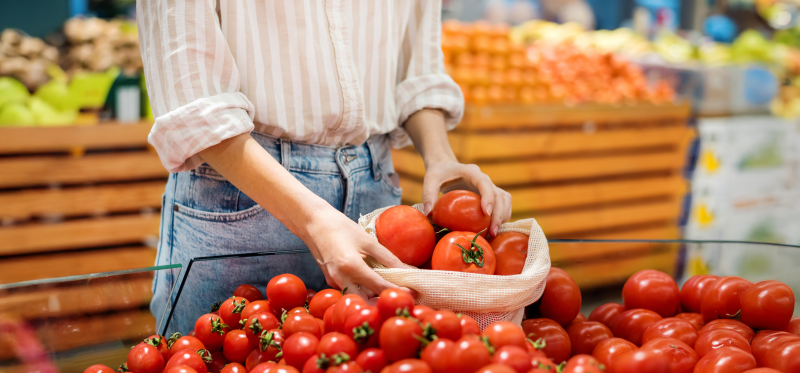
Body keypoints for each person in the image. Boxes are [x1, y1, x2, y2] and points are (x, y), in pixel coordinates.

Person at [138, 0, 512, 333]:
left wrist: (440, 156)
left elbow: (417, 66)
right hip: (244, 193)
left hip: (375, 189)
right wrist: (315, 220)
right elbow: (193, 99)